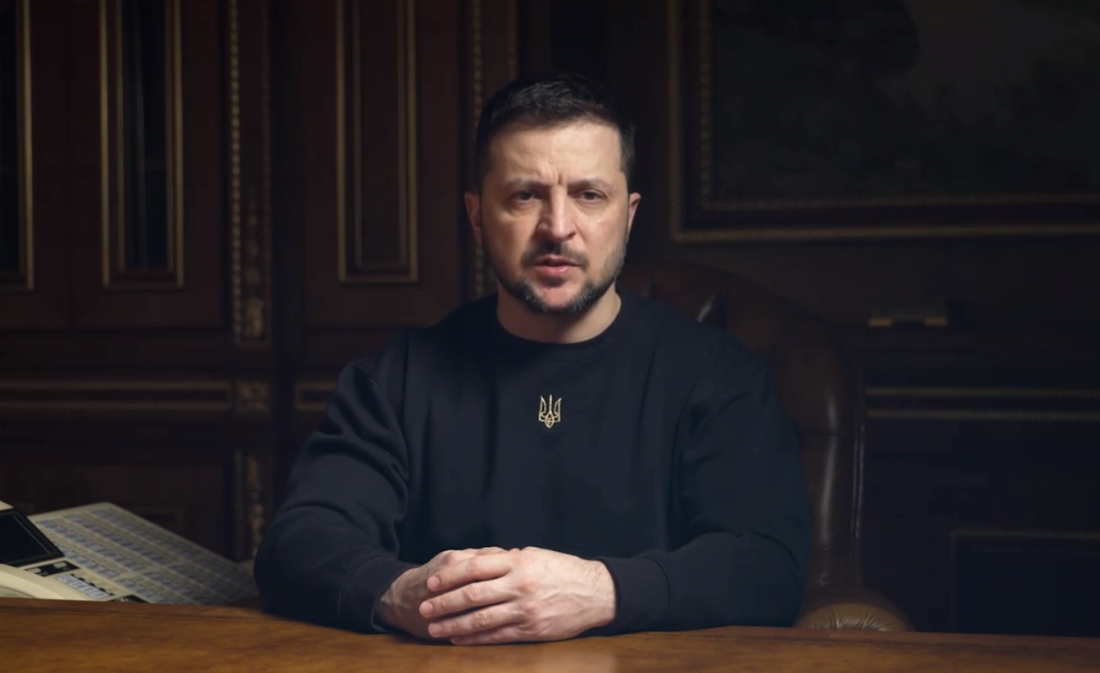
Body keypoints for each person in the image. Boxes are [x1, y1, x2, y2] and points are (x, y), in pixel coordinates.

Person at [253, 72, 813, 645]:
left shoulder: (718, 375)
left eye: (589, 195)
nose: (558, 228)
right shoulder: (396, 379)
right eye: (525, 196)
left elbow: (769, 564)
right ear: (476, 217)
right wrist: (401, 594)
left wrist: (600, 592)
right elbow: (299, 543)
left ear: (628, 215)